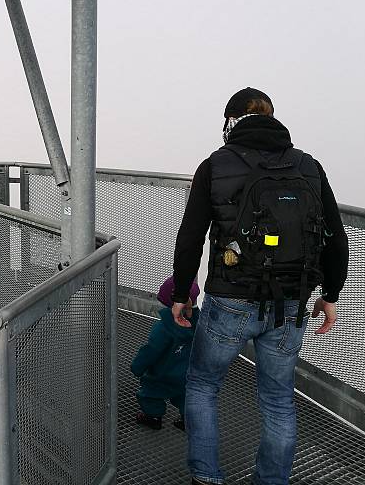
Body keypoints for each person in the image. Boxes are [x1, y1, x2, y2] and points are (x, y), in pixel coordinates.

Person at [171, 88, 349, 485]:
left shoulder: (215, 165)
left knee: (203, 385)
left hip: (230, 299)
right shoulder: (309, 167)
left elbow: (190, 237)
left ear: (231, 122)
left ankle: (206, 477)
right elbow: (336, 239)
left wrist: (181, 294)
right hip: (291, 302)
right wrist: (331, 295)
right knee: (278, 401)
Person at [131, 276, 200, 431]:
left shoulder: (163, 328)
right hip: (187, 374)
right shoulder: (198, 322)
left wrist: (137, 367)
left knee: (150, 394)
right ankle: (187, 420)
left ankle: (153, 417)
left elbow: (151, 350)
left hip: (161, 375)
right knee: (186, 397)